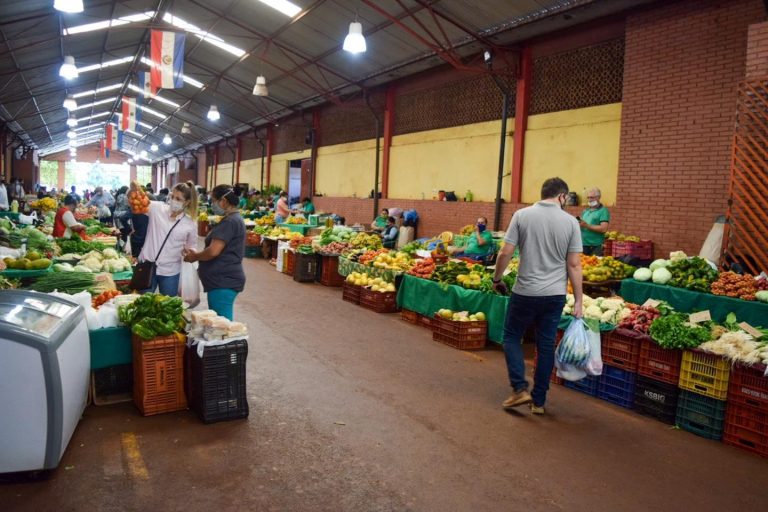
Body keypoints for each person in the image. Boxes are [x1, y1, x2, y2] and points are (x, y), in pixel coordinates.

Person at [492, 177, 583, 415]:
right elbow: (574, 265)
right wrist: (579, 301)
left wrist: (497, 279)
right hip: (554, 295)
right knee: (545, 346)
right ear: (562, 196)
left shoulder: (522, 216)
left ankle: (520, 388)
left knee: (512, 336)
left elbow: (505, 252)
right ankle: (539, 402)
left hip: (525, 291)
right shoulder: (571, 222)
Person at [184, 185, 245, 320]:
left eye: (213, 200)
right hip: (222, 280)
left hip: (223, 281)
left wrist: (195, 256)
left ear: (223, 200)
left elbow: (213, 251)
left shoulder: (230, 222)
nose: (212, 204)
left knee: (222, 326)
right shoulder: (234, 219)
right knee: (220, 323)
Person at [132, 181, 198, 296]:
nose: (173, 200)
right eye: (172, 196)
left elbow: (192, 245)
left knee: (167, 306)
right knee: (142, 303)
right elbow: (136, 204)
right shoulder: (157, 208)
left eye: (178, 199)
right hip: (147, 266)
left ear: (187, 202)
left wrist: (190, 252)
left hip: (170, 271)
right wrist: (134, 191)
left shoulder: (190, 224)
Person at [579, 187, 610, 256]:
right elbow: (582, 224)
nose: (589, 200)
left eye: (592, 197)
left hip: (595, 246)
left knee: (594, 265)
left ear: (598, 197)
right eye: (588, 197)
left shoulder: (603, 211)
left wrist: (587, 226)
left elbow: (604, 229)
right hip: (583, 245)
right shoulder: (585, 211)